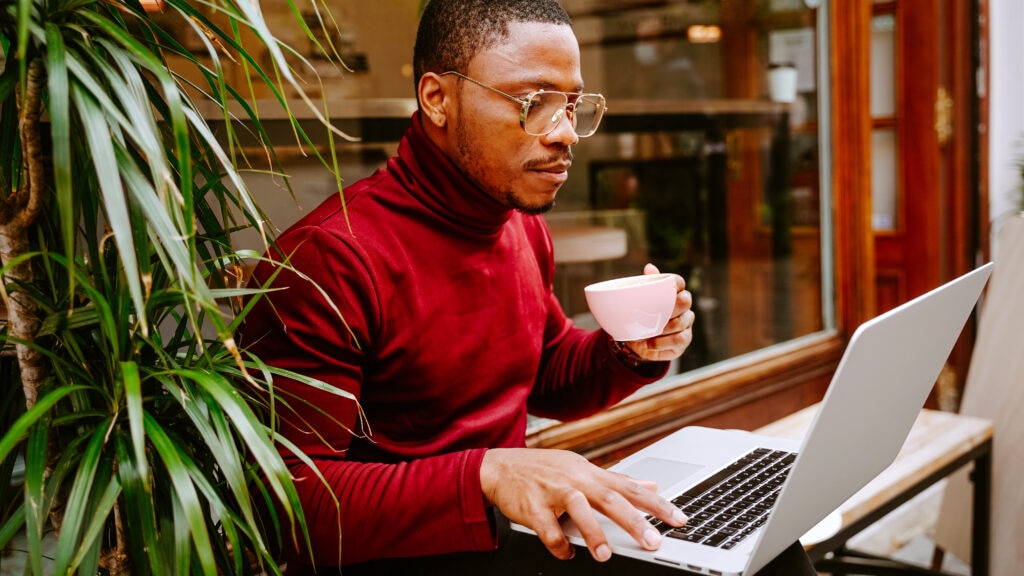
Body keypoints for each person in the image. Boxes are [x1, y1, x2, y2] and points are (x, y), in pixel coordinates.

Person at [241, 0, 696, 572]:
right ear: (437, 99)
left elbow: (546, 369)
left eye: (574, 106)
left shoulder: (519, 224)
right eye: (536, 104)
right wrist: (487, 472)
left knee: (750, 554)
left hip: (509, 536)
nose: (566, 134)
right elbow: (285, 505)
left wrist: (628, 351)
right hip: (405, 551)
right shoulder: (331, 258)